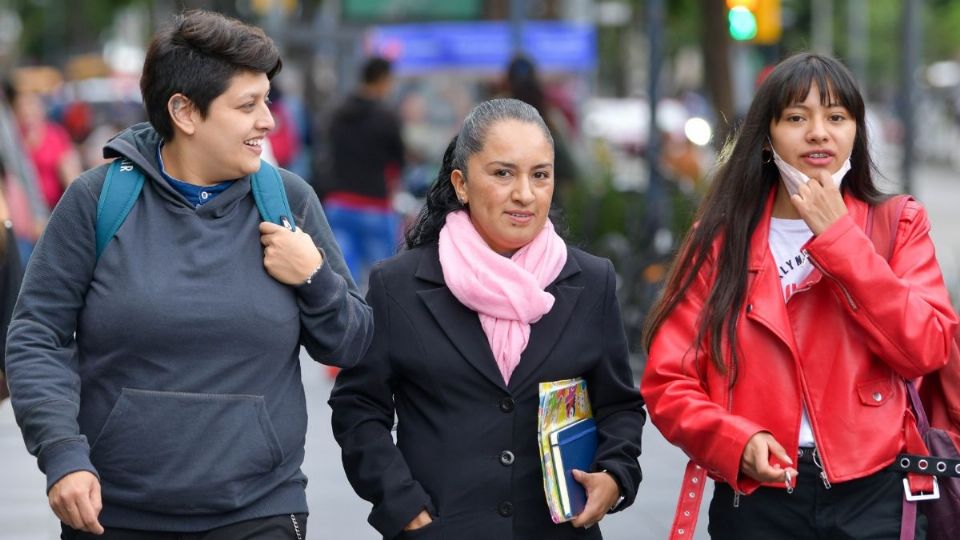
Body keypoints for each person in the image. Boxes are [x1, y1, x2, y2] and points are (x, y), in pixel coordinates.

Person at [4, 10, 372, 539]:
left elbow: (351, 345)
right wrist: (63, 454)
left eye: (266, 100)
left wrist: (314, 277)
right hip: (115, 514)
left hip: (260, 512)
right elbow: (37, 334)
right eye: (247, 105)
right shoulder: (96, 200)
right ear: (184, 111)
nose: (268, 120)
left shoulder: (287, 201)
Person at [641, 52, 959, 539]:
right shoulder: (720, 240)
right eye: (796, 117)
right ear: (766, 138)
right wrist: (736, 440)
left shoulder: (898, 224)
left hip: (879, 493)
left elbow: (928, 347)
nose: (818, 132)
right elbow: (668, 382)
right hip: (758, 499)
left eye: (836, 117)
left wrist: (840, 239)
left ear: (856, 131)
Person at [329, 98, 645, 540]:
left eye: (540, 175)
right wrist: (404, 508)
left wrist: (614, 475)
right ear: (461, 183)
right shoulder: (398, 286)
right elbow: (357, 408)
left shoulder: (591, 282)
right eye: (503, 173)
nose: (525, 193)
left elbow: (620, 406)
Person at [324, 56, 405, 287]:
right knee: (385, 284)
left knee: (343, 281)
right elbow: (396, 165)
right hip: (375, 206)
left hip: (338, 204)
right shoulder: (387, 118)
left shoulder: (338, 113)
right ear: (382, 80)